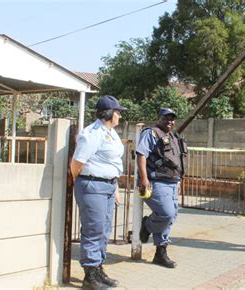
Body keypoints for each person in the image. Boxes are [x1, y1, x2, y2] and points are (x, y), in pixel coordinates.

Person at [70, 95, 126, 289]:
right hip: (93, 186)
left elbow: (112, 163)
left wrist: (115, 186)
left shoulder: (110, 132)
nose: (120, 116)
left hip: (108, 186)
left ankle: (98, 269)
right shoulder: (92, 133)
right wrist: (83, 181)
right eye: (118, 112)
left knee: (104, 229)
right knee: (94, 229)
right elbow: (77, 163)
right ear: (109, 114)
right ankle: (90, 276)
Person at [136, 108, 187, 268]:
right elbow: (141, 154)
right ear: (159, 118)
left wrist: (179, 181)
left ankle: (160, 253)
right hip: (157, 181)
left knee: (171, 218)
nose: (169, 121)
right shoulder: (151, 133)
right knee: (166, 214)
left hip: (173, 182)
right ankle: (147, 225)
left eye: (172, 119)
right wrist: (144, 179)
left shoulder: (173, 136)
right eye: (166, 118)